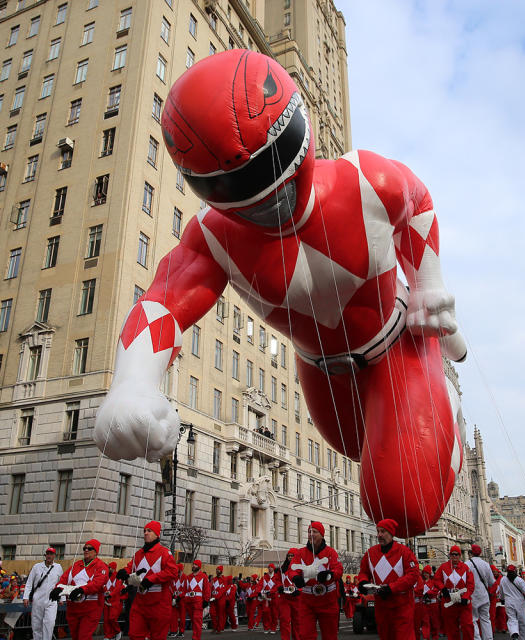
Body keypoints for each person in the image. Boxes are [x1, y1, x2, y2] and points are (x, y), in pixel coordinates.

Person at [94, 48, 469, 540]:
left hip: (396, 341)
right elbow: (161, 302)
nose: (272, 201)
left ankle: (446, 416)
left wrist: (426, 285)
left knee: (401, 503)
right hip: (322, 370)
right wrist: (131, 382)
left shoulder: (364, 182)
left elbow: (416, 201)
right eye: (246, 185)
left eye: (274, 172)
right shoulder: (213, 235)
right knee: (358, 449)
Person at [356, 519, 421, 640]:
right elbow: (363, 572)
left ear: (391, 533)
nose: (379, 535)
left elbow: (413, 575)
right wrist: (363, 582)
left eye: (383, 531)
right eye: (378, 531)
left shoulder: (404, 552)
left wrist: (392, 588)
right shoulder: (370, 553)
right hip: (381, 606)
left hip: (402, 606)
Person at [287, 522, 343, 640]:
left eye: (315, 532)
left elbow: (338, 569)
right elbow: (292, 570)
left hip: (328, 601)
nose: (311, 534)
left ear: (322, 535)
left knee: (330, 636)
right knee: (305, 635)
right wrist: (295, 578)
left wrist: (329, 575)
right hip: (307, 602)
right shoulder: (300, 553)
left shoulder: (330, 552)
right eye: (309, 532)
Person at [126, 521, 180, 640]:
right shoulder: (138, 554)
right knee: (134, 635)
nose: (145, 533)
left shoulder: (164, 553)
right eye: (144, 531)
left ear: (157, 534)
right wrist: (125, 573)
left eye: (149, 531)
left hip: (159, 604)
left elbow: (173, 571)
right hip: (140, 603)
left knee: (158, 637)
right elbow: (130, 569)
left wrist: (151, 579)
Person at [51, 538, 108, 640]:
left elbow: (98, 583)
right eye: (84, 548)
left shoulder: (101, 566)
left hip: (91, 609)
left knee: (83, 637)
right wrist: (58, 589)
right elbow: (64, 579)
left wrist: (82, 590)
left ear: (95, 552)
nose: (86, 550)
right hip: (73, 609)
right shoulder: (76, 565)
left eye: (89, 548)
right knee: (75, 637)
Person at [435, 545, 474, 640]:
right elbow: (436, 579)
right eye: (452, 554)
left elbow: (471, 585)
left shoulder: (465, 568)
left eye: (456, 554)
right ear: (450, 555)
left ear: (460, 556)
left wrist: (466, 597)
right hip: (449, 602)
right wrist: (443, 589)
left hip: (463, 603)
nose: (454, 556)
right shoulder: (443, 567)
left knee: (467, 626)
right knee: (451, 629)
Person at [498, 565, 525, 640]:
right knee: (521, 622)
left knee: (512, 619)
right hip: (519, 603)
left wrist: (501, 599)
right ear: (515, 571)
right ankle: (521, 638)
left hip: (509, 602)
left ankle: (514, 633)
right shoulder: (519, 580)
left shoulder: (503, 579)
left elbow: (501, 592)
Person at [465, 544, 494, 640]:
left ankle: (477, 638)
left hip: (472, 596)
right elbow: (491, 582)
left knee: (473, 619)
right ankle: (488, 638)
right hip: (484, 595)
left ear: (471, 553)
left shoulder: (466, 564)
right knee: (485, 619)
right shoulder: (486, 565)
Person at [180, 559, 209, 640]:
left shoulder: (204, 577)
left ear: (199, 566)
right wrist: (183, 598)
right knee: (193, 621)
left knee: (197, 621)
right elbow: (185, 590)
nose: (193, 566)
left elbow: (207, 589)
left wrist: (206, 600)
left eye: (195, 565)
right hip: (189, 602)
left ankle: (196, 638)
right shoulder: (188, 577)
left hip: (198, 602)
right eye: (193, 564)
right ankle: (195, 636)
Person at [275, 550, 300, 640]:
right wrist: (280, 587)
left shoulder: (300, 568)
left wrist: (299, 590)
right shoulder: (282, 568)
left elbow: (305, 581)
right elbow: (277, 580)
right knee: (284, 620)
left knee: (296, 621)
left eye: (292, 555)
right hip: (284, 598)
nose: (290, 557)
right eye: (289, 555)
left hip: (296, 599)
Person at [104, 562, 128, 640]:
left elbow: (118, 588)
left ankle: (117, 631)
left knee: (112, 618)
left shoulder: (118, 576)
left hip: (115, 602)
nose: (108, 568)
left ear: (113, 568)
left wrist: (110, 594)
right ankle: (108, 635)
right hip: (107, 600)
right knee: (106, 620)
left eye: (109, 567)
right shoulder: (106, 576)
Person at [414, 565, 439, 640]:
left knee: (434, 623)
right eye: (424, 573)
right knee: (425, 622)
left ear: (429, 573)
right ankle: (426, 637)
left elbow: (436, 589)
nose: (425, 574)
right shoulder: (421, 582)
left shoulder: (433, 581)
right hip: (424, 605)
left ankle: (435, 637)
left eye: (427, 573)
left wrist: (429, 593)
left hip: (433, 605)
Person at [209, 566, 228, 633]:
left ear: (221, 571)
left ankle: (219, 628)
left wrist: (216, 597)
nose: (217, 571)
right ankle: (215, 627)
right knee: (212, 613)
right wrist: (209, 596)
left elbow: (223, 590)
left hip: (220, 600)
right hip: (213, 599)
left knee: (220, 614)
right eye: (216, 570)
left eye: (218, 570)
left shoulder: (224, 580)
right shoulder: (213, 579)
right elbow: (210, 588)